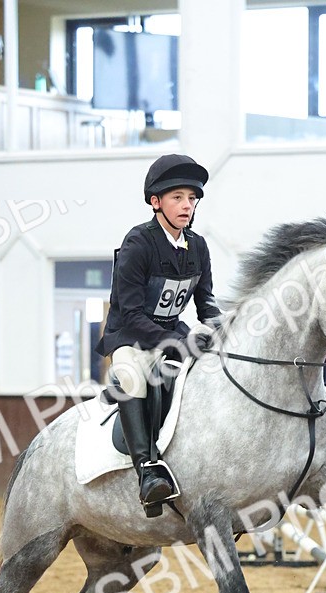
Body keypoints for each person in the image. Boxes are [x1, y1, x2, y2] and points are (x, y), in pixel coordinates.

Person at [96, 153, 222, 510]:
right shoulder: (138, 244)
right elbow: (131, 312)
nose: (187, 206)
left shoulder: (197, 246)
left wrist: (221, 329)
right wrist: (175, 343)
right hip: (131, 336)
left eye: (192, 199)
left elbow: (206, 301)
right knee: (132, 377)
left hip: (173, 334)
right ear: (156, 202)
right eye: (177, 198)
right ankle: (147, 469)